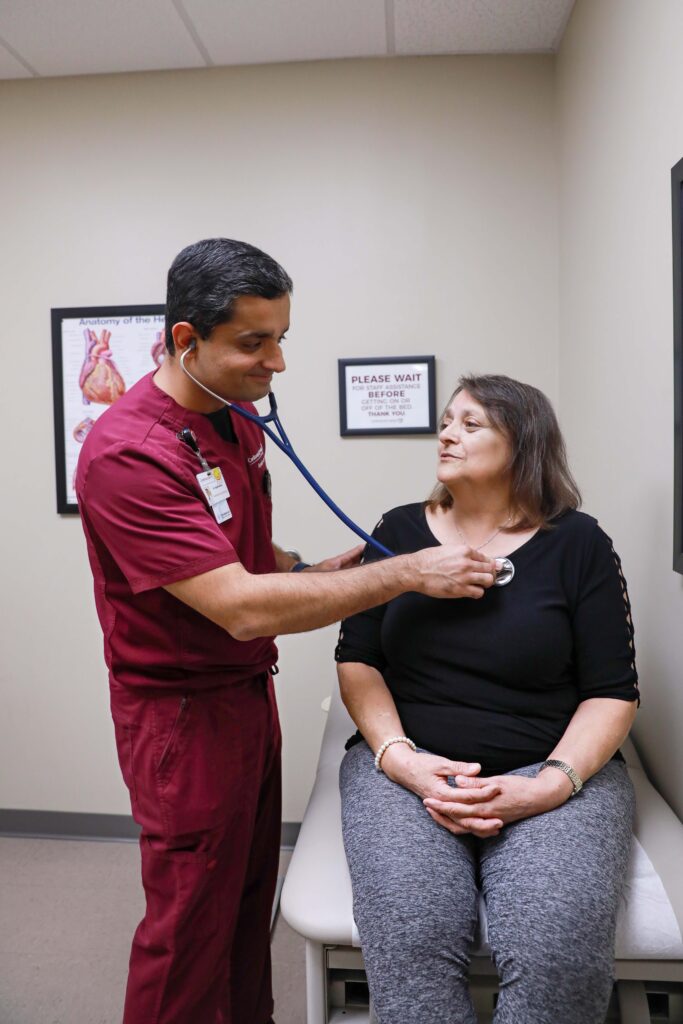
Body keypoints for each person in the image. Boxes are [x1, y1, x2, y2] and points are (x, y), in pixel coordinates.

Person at [75, 238, 499, 1024]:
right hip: (181, 718)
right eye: (253, 343)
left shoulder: (231, 424)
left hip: (243, 695)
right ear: (183, 339)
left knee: (243, 908)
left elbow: (248, 557)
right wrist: (403, 573)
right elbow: (239, 605)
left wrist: (321, 570)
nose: (276, 363)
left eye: (281, 339)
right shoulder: (127, 454)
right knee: (187, 923)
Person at [336, 374, 639, 1024]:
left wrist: (550, 785)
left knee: (555, 950)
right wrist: (399, 758)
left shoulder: (578, 544)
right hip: (405, 768)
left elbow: (612, 693)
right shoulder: (395, 530)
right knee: (413, 938)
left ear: (522, 442)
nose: (446, 432)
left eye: (470, 423)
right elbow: (357, 660)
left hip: (546, 768)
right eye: (447, 420)